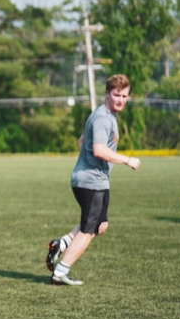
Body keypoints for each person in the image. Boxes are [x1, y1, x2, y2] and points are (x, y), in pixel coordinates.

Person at [45, 74, 140, 285]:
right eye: (116, 95)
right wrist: (127, 160)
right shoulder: (103, 118)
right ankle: (60, 272)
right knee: (88, 230)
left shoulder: (104, 116)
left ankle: (62, 243)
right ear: (107, 94)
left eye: (124, 96)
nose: (121, 100)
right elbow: (98, 149)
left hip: (92, 179)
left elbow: (82, 141)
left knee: (100, 225)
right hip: (92, 183)